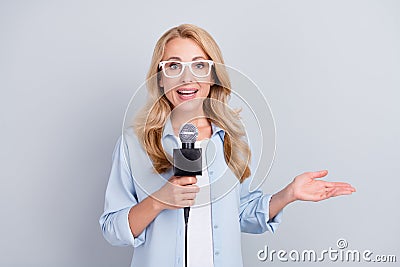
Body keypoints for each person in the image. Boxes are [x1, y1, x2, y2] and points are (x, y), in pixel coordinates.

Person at [99, 24, 356, 267]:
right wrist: (158, 201)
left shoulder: (232, 139)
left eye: (199, 65)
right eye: (174, 66)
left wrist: (288, 194)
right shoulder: (134, 145)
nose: (187, 78)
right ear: (160, 78)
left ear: (212, 76)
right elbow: (112, 229)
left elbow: (242, 213)